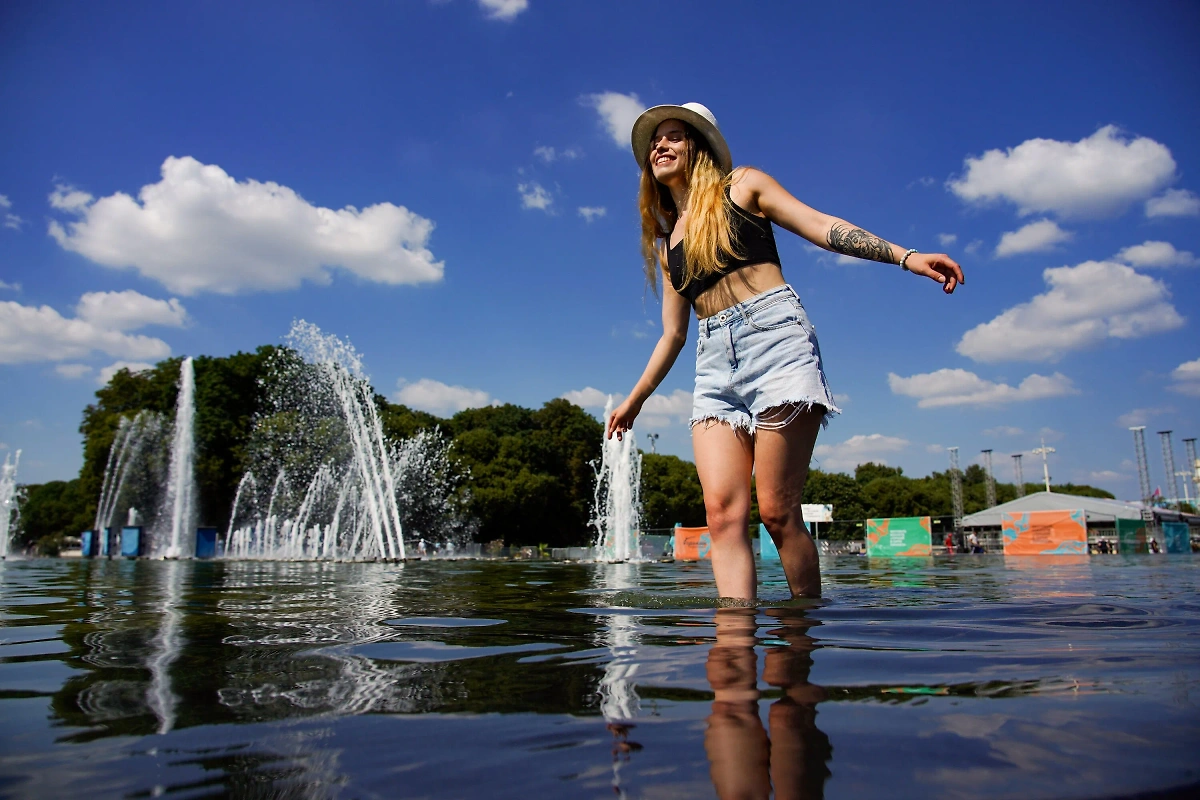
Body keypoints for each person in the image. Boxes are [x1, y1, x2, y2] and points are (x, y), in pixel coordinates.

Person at [606, 103, 964, 601]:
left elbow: (819, 225)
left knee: (776, 511)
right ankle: (735, 647)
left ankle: (802, 636)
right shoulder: (668, 247)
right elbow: (673, 335)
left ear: (700, 148)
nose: (659, 147)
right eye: (654, 142)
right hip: (713, 367)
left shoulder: (744, 186)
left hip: (775, 339)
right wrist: (636, 398)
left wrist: (905, 256)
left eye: (673, 137)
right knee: (722, 517)